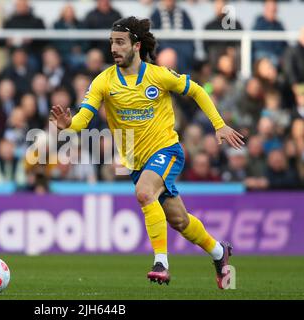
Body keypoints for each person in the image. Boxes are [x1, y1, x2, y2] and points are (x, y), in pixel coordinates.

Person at [50, 16, 244, 288]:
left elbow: (198, 90)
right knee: (179, 220)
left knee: (143, 193)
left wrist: (219, 125)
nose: (114, 48)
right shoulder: (103, 82)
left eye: (120, 42)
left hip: (167, 149)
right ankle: (219, 252)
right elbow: (83, 117)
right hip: (137, 162)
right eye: (111, 43)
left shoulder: (158, 75)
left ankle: (161, 263)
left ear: (136, 45)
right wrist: (68, 126)